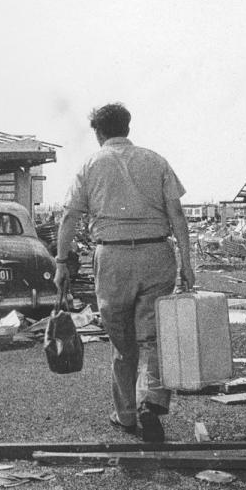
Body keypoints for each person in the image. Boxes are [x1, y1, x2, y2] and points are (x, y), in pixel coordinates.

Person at [54, 103, 195, 442]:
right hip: (156, 254)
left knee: (121, 342)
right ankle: (151, 401)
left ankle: (126, 414)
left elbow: (70, 217)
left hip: (113, 257)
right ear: (127, 128)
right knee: (152, 338)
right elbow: (177, 214)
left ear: (99, 133)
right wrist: (187, 263)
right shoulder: (156, 160)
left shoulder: (90, 165)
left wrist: (61, 263)